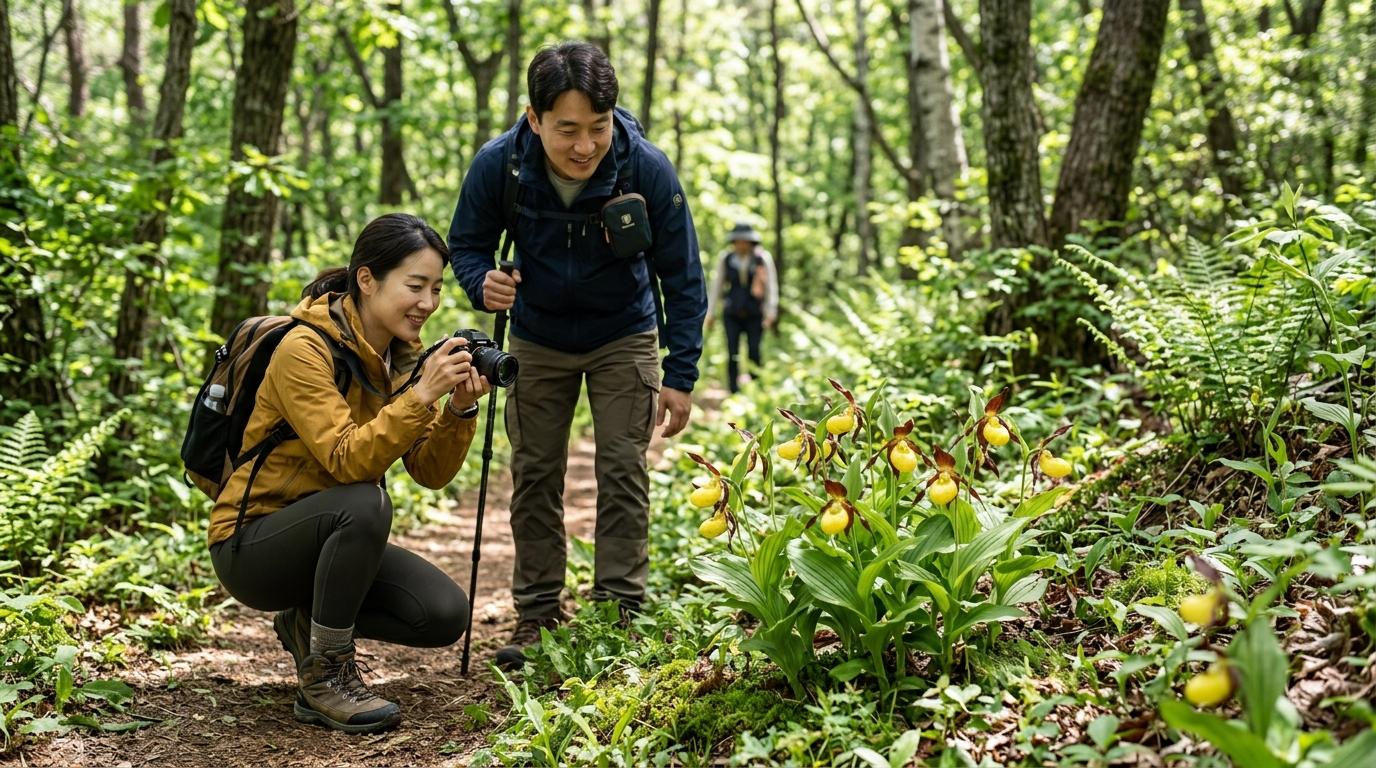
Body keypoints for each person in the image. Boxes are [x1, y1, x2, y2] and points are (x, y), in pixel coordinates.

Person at [448, 42, 706, 669]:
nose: (585, 145)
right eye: (567, 129)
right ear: (534, 120)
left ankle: (620, 611)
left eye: (598, 127)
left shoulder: (645, 167)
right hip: (535, 335)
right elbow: (465, 244)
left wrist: (681, 373)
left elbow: (683, 273)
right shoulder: (499, 167)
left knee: (623, 469)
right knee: (535, 473)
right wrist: (483, 282)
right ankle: (537, 613)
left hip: (625, 333)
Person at [208, 213, 490, 734]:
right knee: (365, 500)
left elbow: (429, 472)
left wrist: (458, 411)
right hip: (253, 543)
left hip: (331, 539)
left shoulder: (400, 359)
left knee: (443, 614)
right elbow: (347, 460)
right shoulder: (304, 349)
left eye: (436, 288)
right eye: (414, 286)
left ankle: (304, 623)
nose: (428, 303)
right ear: (366, 279)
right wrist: (422, 396)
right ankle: (325, 677)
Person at [705, 221, 778, 393]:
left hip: (755, 313)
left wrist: (771, 312)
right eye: (738, 240)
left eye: (744, 241)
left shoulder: (762, 258)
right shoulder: (727, 258)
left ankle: (756, 389)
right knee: (732, 352)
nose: (741, 244)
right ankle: (733, 390)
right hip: (732, 313)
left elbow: (771, 287)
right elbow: (717, 285)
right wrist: (710, 312)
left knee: (754, 350)